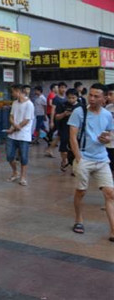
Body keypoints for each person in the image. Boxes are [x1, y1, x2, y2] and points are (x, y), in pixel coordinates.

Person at [67, 84, 114, 242]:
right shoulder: (79, 112)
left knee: (110, 193)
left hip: (102, 159)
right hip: (84, 158)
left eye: (96, 96)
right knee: (81, 192)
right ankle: (79, 219)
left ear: (104, 98)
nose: (92, 99)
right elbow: (72, 137)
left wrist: (106, 138)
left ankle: (113, 230)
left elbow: (109, 134)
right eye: (91, 95)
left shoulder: (107, 115)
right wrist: (78, 158)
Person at [5, 84, 34, 186]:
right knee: (9, 156)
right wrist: (13, 126)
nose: (12, 94)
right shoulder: (14, 103)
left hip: (24, 135)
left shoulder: (29, 104)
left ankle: (23, 177)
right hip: (12, 135)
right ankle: (15, 172)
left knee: (23, 157)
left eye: (13, 91)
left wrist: (15, 128)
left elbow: (27, 120)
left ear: (18, 91)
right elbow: (11, 117)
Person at [56, 89, 80, 171]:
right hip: (65, 129)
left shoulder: (80, 106)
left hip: (77, 130)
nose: (71, 100)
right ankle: (64, 160)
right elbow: (57, 117)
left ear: (77, 97)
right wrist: (64, 114)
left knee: (75, 147)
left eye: (73, 98)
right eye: (69, 98)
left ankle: (74, 166)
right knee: (63, 148)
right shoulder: (62, 105)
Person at [49, 82, 68, 157]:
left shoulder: (66, 98)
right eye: (62, 88)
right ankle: (50, 149)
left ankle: (50, 149)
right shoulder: (56, 99)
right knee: (59, 136)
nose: (63, 89)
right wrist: (51, 121)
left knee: (59, 136)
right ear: (59, 88)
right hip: (58, 120)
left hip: (65, 120)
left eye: (65, 88)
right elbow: (53, 110)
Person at [106, 84, 114, 175]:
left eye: (111, 94)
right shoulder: (108, 108)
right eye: (107, 94)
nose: (108, 97)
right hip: (109, 143)